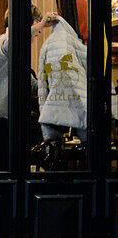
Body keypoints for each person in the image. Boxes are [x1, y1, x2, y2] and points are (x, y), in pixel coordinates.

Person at [0, 7, 56, 168]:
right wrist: (42, 24)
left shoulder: (18, 57)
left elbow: (33, 87)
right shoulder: (2, 41)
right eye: (35, 23)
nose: (39, 32)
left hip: (10, 123)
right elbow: (15, 41)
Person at [37, 14, 88, 143]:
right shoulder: (70, 43)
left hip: (54, 105)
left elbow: (43, 83)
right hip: (75, 103)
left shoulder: (50, 43)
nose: (38, 31)